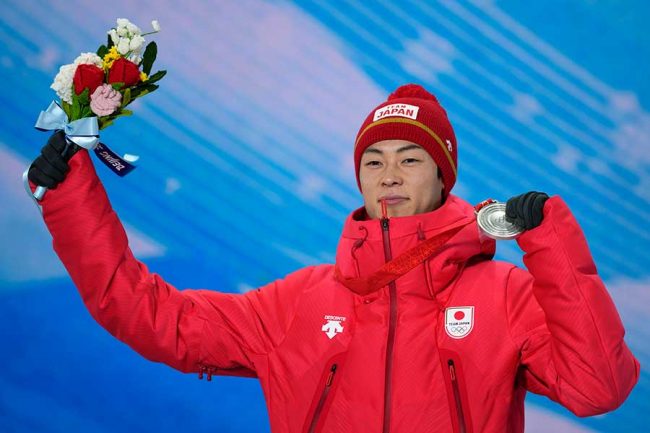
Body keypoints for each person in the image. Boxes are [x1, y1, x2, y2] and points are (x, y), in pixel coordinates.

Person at [28, 84, 639, 433]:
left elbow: (599, 389)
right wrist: (69, 195)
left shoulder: (503, 295)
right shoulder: (302, 301)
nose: (390, 174)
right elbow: (150, 316)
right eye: (374, 161)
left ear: (444, 174)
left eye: (410, 158)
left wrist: (550, 243)